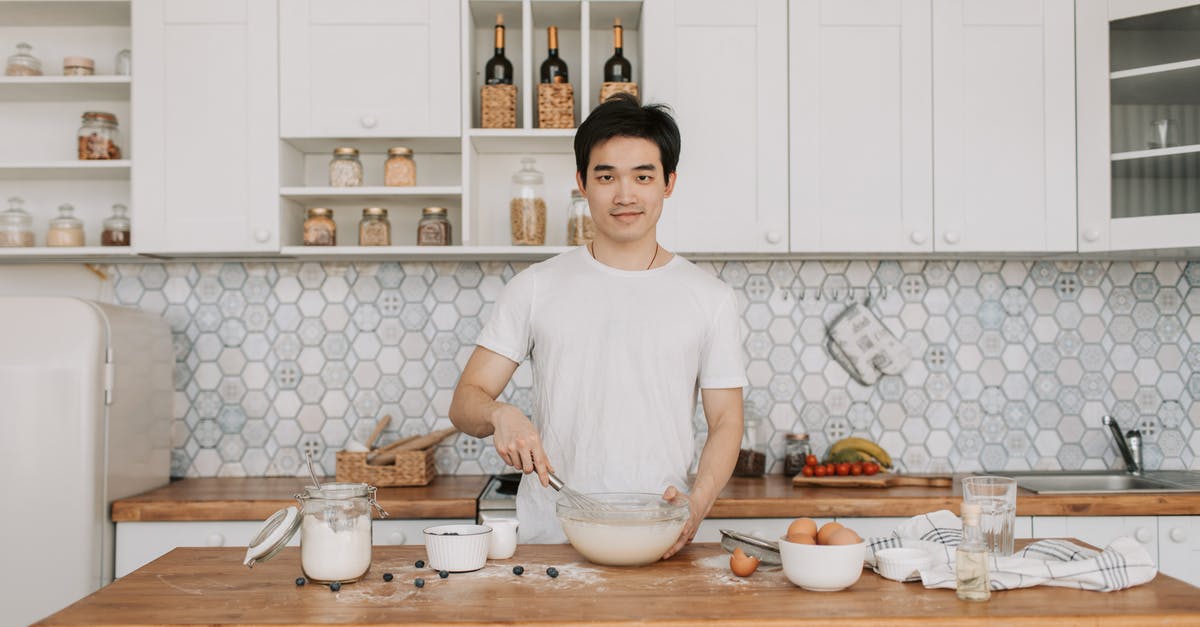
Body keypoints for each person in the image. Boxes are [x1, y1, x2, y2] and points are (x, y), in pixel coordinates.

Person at [449, 93, 746, 558]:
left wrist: (697, 504)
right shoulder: (535, 287)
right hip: (552, 541)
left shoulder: (710, 299)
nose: (624, 195)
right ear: (582, 183)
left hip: (658, 535)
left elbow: (726, 420)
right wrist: (499, 414)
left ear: (668, 183)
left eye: (643, 176)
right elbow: (466, 401)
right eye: (606, 176)